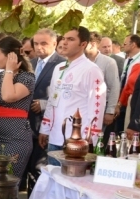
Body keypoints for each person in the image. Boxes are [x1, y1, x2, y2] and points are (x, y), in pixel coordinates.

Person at [39, 27, 106, 165]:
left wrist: (91, 138)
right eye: (63, 38)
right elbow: (52, 99)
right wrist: (44, 129)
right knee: (53, 179)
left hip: (77, 142)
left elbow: (97, 106)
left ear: (83, 44)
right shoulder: (59, 68)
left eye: (70, 39)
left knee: (72, 182)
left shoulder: (91, 70)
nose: (64, 42)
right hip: (54, 137)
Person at [0, 37, 34, 180]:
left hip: (15, 140)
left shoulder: (27, 78)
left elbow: (8, 96)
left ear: (11, 56)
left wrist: (9, 71)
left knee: (7, 184)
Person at [26, 29, 64, 186]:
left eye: (44, 43)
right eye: (36, 43)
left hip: (47, 124)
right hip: (27, 124)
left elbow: (64, 94)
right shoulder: (31, 63)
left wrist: (44, 104)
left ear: (54, 44)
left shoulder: (62, 64)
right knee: (28, 168)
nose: (39, 47)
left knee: (41, 168)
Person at [85, 32, 120, 128]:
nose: (81, 47)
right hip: (83, 107)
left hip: (101, 107)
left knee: (96, 139)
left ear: (92, 45)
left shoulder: (109, 62)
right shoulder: (81, 61)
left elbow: (114, 87)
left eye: (84, 44)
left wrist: (110, 111)